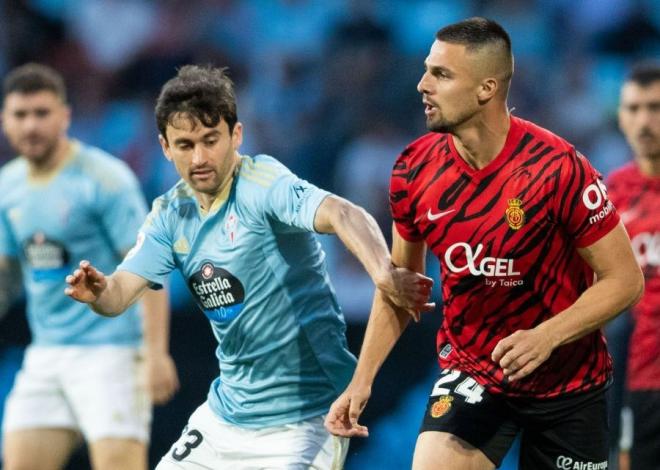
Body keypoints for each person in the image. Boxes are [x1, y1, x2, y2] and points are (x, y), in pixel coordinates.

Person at [64, 64, 434, 469]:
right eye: (185, 145)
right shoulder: (169, 214)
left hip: (307, 417)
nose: (200, 157)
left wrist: (383, 271)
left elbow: (344, 213)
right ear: (165, 148)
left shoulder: (262, 184)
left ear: (236, 135)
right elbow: (120, 293)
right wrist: (98, 293)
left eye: (211, 140)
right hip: (225, 416)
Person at [325, 17, 644, 470]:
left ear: (486, 88)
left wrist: (546, 337)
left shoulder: (558, 169)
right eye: (426, 70)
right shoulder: (413, 170)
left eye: (441, 74)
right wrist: (362, 381)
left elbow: (625, 280)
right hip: (473, 373)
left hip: (568, 383)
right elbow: (401, 288)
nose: (422, 85)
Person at [0, 63, 180, 470]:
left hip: (113, 352)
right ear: (4, 121)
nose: (31, 126)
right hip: (47, 353)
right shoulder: (7, 187)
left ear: (65, 116)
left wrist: (156, 354)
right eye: (20, 115)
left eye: (42, 113)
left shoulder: (104, 179)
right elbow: (6, 276)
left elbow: (149, 264)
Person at [606, 62, 660, 470]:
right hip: (638, 379)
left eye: (655, 108)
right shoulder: (610, 196)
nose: (644, 121)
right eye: (634, 108)